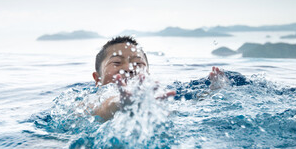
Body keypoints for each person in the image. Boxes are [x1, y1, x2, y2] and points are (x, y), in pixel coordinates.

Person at [91, 36, 227, 121]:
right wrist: (121, 103)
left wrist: (214, 93)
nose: (130, 68)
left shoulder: (161, 96)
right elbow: (99, 109)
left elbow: (189, 105)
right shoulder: (87, 101)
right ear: (97, 79)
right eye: (116, 62)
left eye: (138, 64)